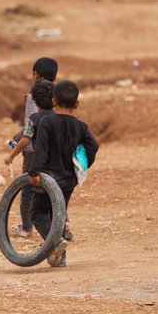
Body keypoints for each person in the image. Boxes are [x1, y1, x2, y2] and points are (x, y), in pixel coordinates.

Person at [28, 80, 99, 267]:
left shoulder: (47, 121)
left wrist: (34, 172)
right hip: (68, 179)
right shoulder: (80, 126)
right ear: (77, 104)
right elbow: (94, 146)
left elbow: (41, 150)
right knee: (58, 215)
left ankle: (56, 243)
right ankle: (60, 259)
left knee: (38, 213)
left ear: (53, 101)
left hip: (47, 178)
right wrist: (81, 166)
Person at [5, 57, 58, 239]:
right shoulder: (55, 94)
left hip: (32, 151)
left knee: (28, 190)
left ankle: (27, 228)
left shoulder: (33, 96)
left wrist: (16, 144)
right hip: (51, 150)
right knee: (53, 189)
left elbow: (32, 126)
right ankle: (62, 225)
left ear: (36, 74)